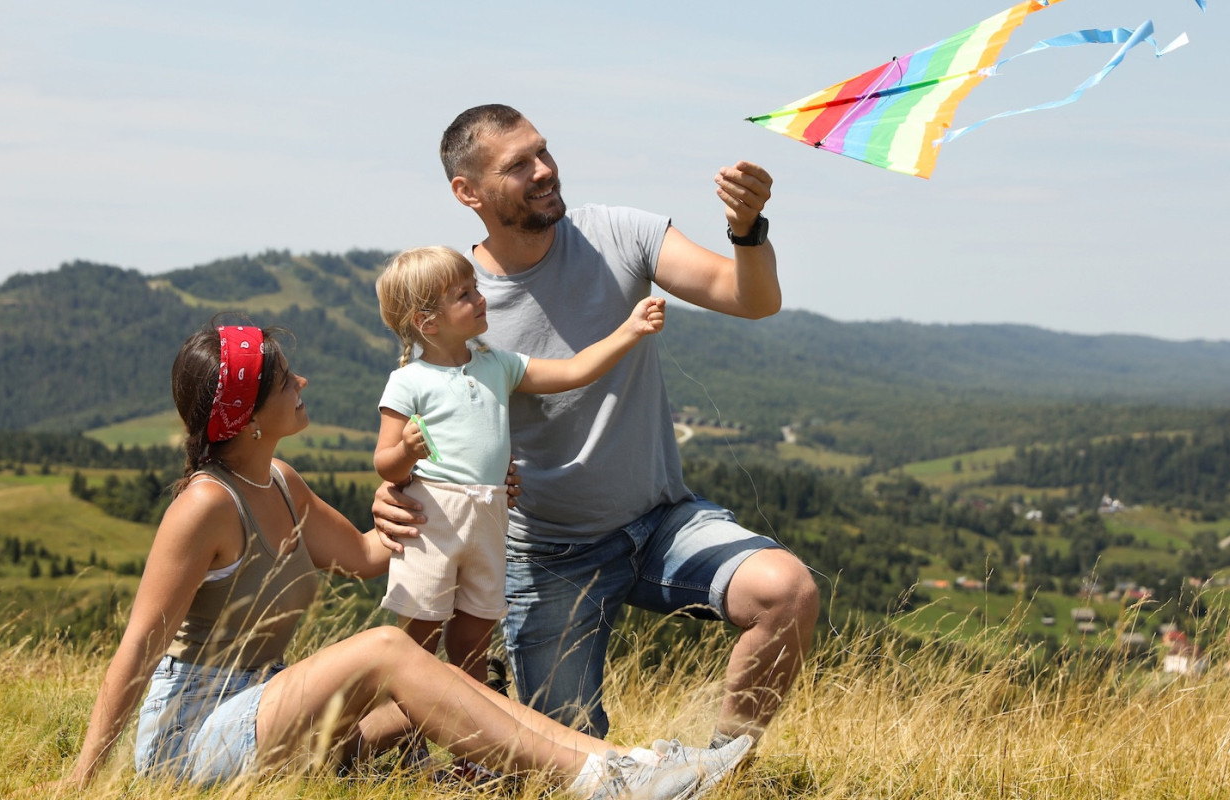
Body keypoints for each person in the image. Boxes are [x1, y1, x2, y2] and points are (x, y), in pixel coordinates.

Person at [40, 317, 752, 799]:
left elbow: (367, 555)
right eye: (287, 379)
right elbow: (140, 644)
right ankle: (603, 784)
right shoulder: (204, 504)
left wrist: (452, 493)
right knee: (386, 650)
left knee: (438, 690)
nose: (304, 384)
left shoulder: (281, 483)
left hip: (265, 711)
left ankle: (631, 765)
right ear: (248, 416)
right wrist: (83, 778)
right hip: (192, 740)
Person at [373, 105, 820, 745]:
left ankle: (724, 774)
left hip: (662, 520)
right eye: (518, 165)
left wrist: (746, 230)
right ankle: (346, 739)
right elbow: (426, 423)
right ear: (467, 192)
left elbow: (754, 300)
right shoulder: (459, 304)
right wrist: (392, 488)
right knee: (564, 755)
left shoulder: (618, 232)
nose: (545, 171)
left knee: (788, 592)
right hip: (546, 554)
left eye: (544, 152)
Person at [373, 245, 666, 683]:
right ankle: (402, 733)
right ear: (427, 323)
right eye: (464, 294)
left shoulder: (498, 365)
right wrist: (407, 452)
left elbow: (574, 372)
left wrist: (630, 330)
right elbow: (386, 464)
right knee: (419, 635)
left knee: (473, 636)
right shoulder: (408, 382)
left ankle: (471, 741)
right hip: (430, 520)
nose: (480, 299)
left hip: (490, 517)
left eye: (475, 288)